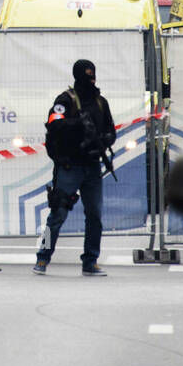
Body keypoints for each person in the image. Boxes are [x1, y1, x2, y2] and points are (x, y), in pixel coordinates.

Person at [36, 60, 116, 276]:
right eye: (87, 75)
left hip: (92, 167)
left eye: (93, 74)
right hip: (69, 165)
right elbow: (54, 123)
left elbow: (111, 132)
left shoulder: (101, 102)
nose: (91, 79)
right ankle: (42, 257)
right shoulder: (65, 100)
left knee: (95, 216)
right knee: (57, 214)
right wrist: (78, 126)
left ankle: (90, 261)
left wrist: (101, 139)